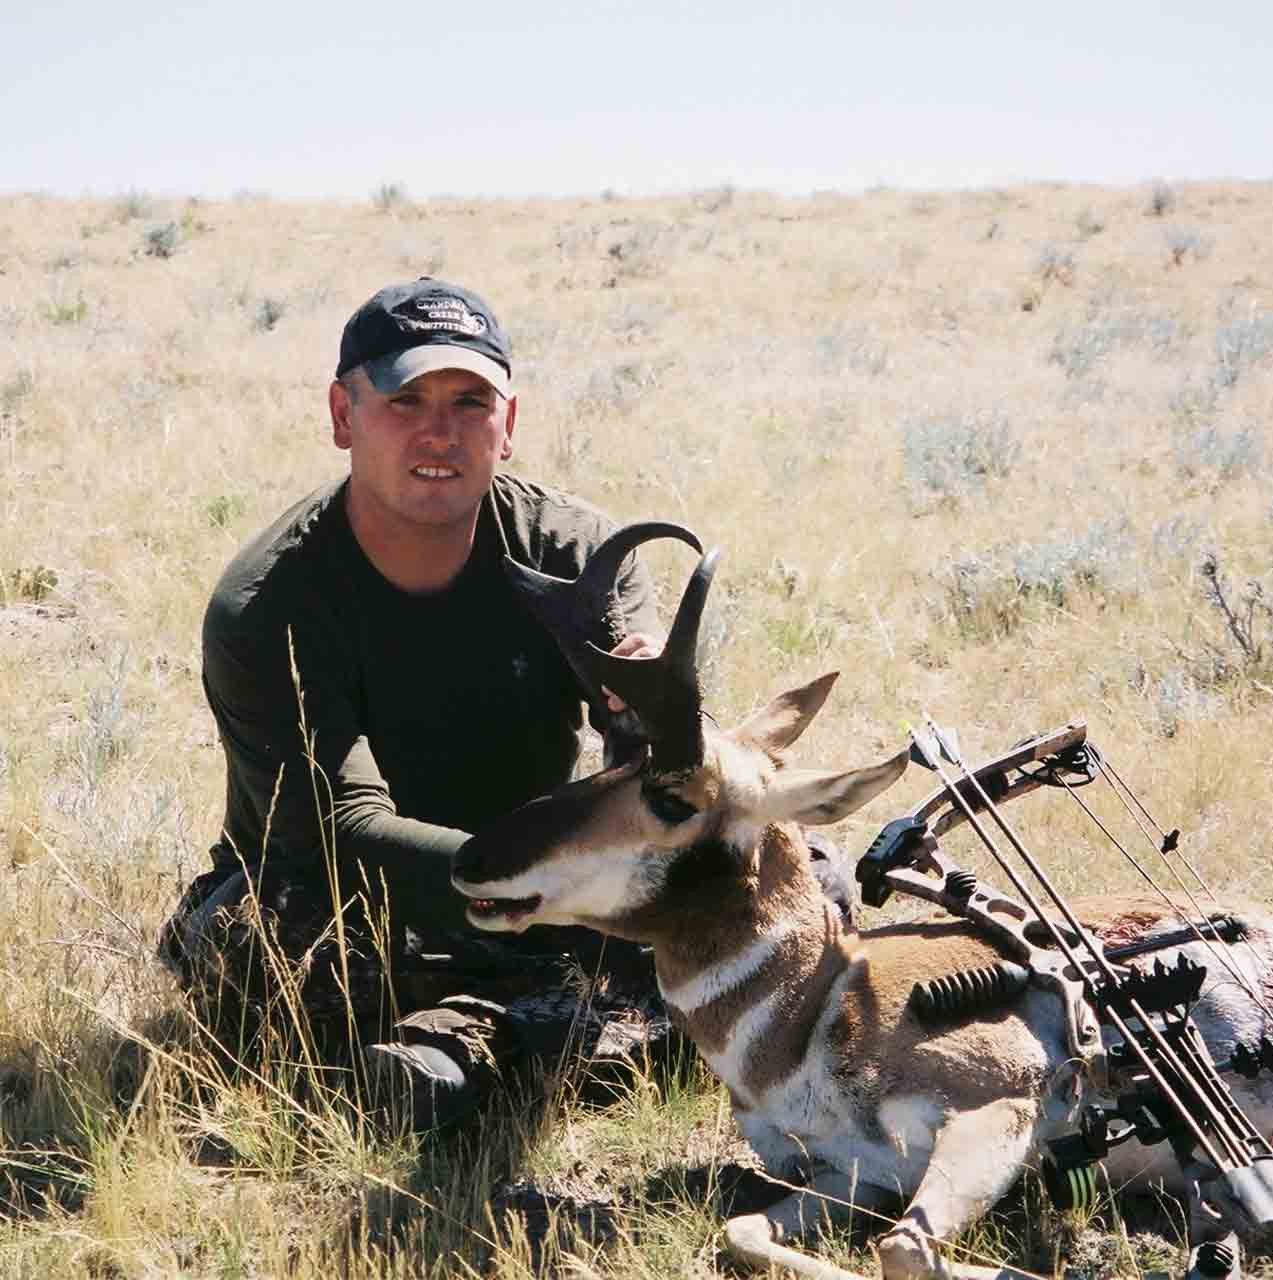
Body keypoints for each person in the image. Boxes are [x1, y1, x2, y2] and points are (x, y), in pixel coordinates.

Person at [159, 275, 853, 1131]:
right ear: (344, 415)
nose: (439, 433)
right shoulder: (268, 605)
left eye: (470, 403)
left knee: (799, 877)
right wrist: (553, 889)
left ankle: (474, 1054)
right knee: (257, 945)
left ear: (508, 423)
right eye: (405, 401)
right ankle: (599, 1034)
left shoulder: (575, 552)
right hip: (362, 890)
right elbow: (343, 830)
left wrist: (649, 717)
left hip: (550, 871)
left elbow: (659, 776)